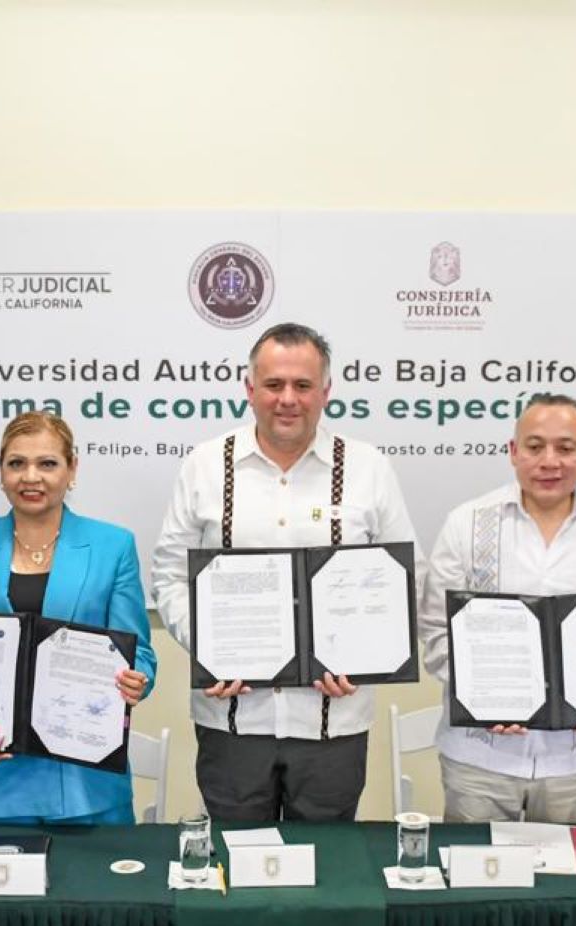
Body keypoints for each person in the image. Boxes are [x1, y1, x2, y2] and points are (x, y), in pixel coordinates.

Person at [150, 321, 420, 822]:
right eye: (274, 385)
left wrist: (365, 656)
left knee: (324, 870)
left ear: (326, 392)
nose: (288, 399)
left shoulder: (369, 469)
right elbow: (169, 574)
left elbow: (405, 580)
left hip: (333, 722)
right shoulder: (205, 467)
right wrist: (208, 647)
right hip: (230, 722)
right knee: (234, 862)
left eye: (303, 385)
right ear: (250, 390)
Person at [418, 394, 576, 823]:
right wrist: (484, 699)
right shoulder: (467, 523)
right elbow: (437, 631)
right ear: (513, 452)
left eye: (565, 448)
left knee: (566, 883)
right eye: (534, 446)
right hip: (479, 760)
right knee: (476, 881)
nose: (549, 461)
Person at [0, 411, 156, 824]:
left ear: (72, 469)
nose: (30, 477)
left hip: (88, 780)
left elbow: (139, 651)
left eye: (47, 464)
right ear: (0, 473)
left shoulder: (114, 546)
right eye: (16, 463)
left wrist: (136, 680)